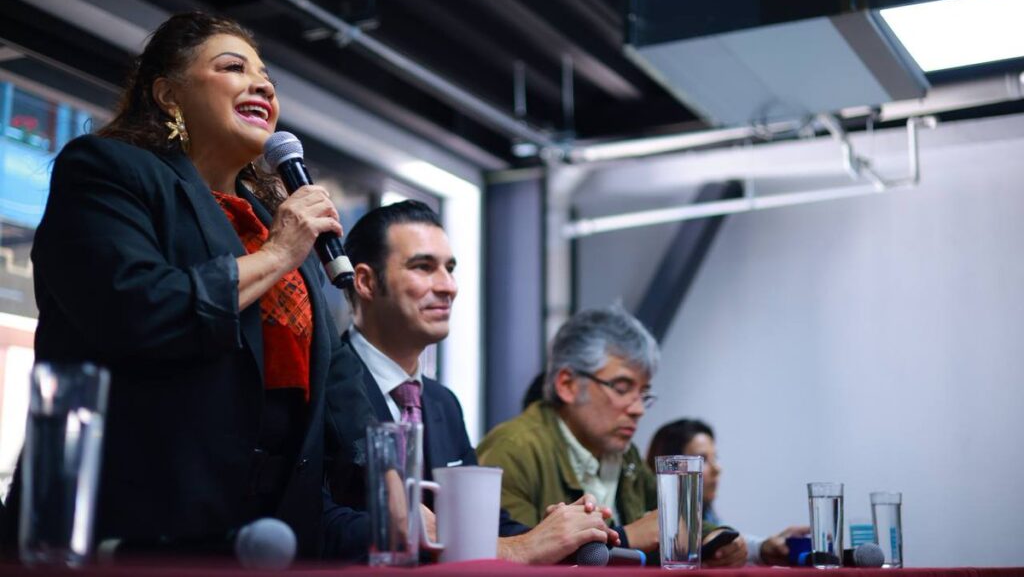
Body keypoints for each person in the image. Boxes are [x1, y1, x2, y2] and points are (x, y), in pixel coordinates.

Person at [0, 12, 372, 558]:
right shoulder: (108, 170)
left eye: (266, 75)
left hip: (275, 532)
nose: (263, 84)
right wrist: (275, 255)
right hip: (134, 528)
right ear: (169, 95)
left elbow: (336, 375)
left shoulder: (277, 221)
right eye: (232, 67)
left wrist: (392, 489)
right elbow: (137, 308)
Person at [321, 200, 618, 563]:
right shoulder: (320, 386)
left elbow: (484, 528)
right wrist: (520, 547)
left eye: (449, 268)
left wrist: (555, 531)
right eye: (423, 267)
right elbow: (314, 522)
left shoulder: (441, 401)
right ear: (365, 281)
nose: (448, 286)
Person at [476, 307, 746, 567]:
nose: (638, 409)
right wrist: (628, 537)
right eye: (622, 388)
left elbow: (672, 519)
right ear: (567, 385)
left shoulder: (621, 453)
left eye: (643, 394)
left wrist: (719, 539)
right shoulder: (513, 449)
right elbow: (512, 552)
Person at [647, 419, 809, 565]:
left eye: (715, 458)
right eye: (701, 459)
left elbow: (726, 546)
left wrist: (765, 546)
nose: (718, 468)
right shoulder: (652, 524)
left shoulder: (708, 518)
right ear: (668, 467)